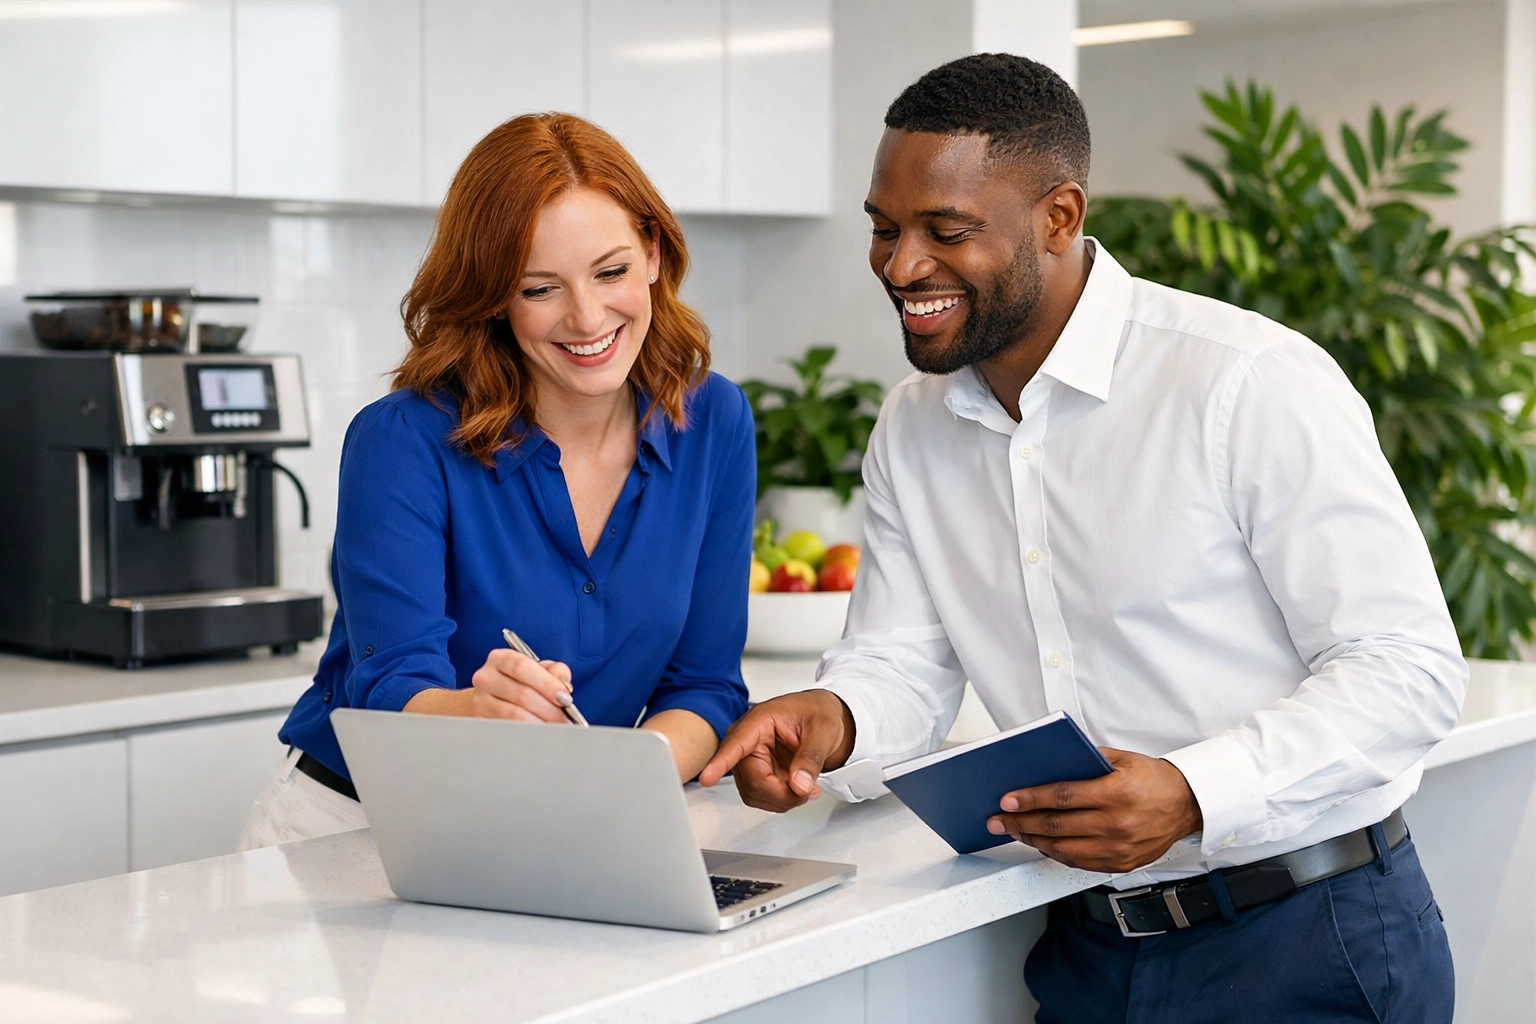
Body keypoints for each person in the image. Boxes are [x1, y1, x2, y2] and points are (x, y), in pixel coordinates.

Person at [700, 54, 1463, 1023]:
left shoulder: (1246, 382)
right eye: (885, 230)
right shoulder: (913, 425)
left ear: (1058, 217)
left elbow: (1407, 666)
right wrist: (835, 719)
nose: (900, 266)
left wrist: (1190, 790)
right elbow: (901, 666)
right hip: (1089, 950)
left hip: (1309, 940)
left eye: (946, 231)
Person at [240, 113, 754, 850]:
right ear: (492, 297)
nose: (587, 317)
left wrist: (617, 786)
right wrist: (477, 713)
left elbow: (704, 686)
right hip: (361, 828)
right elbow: (388, 688)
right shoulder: (403, 440)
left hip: (574, 825)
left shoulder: (714, 422)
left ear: (652, 252)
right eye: (540, 288)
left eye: (610, 272)